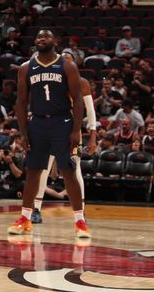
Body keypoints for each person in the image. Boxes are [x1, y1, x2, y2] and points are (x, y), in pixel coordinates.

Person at [8, 29, 90, 238]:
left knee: (68, 171)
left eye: (46, 36)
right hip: (37, 123)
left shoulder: (67, 66)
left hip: (62, 122)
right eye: (38, 37)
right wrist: (24, 132)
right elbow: (21, 102)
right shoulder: (26, 68)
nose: (41, 39)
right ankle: (25, 219)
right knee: (33, 172)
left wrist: (76, 129)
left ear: (55, 41)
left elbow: (78, 100)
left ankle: (80, 222)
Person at [31, 76, 97, 224]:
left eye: (69, 59)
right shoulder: (50, 80)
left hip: (70, 130)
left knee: (75, 169)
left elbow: (90, 111)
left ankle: (81, 210)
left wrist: (92, 136)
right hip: (48, 128)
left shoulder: (82, 82)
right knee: (43, 168)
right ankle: (36, 209)